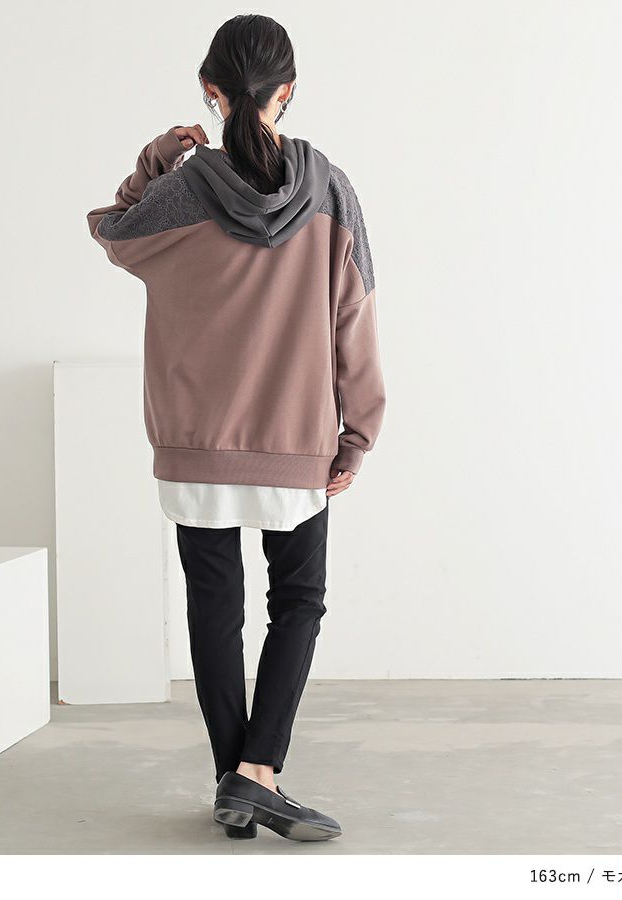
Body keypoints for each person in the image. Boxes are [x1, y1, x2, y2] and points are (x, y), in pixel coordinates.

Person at [86, 14, 386, 843]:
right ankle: (258, 774)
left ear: (209, 92)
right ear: (288, 91)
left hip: (194, 443)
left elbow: (114, 232)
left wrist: (157, 160)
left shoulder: (181, 192)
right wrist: (357, 432)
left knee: (213, 608)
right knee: (299, 602)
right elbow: (356, 317)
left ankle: (237, 783)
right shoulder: (329, 189)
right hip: (297, 440)